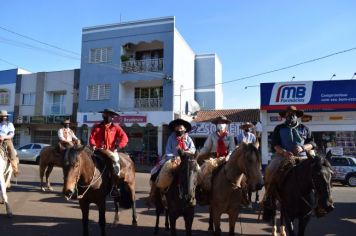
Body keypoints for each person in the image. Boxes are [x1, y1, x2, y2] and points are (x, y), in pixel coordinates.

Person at [262, 105, 316, 218]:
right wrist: (284, 152)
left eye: (293, 113)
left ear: (297, 115)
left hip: (303, 157)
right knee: (271, 169)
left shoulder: (305, 128)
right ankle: (268, 198)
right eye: (288, 113)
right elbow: (274, 145)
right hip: (283, 157)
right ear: (285, 115)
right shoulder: (279, 128)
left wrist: (303, 148)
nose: (290, 115)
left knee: (319, 173)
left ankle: (321, 202)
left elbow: (313, 143)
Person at [147, 118, 196, 206]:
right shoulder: (171, 137)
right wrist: (174, 157)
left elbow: (193, 149)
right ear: (174, 129)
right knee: (157, 172)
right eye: (177, 128)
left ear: (185, 129)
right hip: (172, 159)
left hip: (186, 159)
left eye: (181, 128)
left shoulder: (188, 138)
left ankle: (195, 193)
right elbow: (168, 151)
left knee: (197, 171)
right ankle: (153, 194)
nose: (179, 130)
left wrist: (185, 153)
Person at [89, 108, 128, 197]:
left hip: (111, 151)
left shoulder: (116, 127)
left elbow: (124, 138)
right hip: (98, 150)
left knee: (116, 163)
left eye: (111, 115)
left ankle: (115, 186)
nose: (109, 117)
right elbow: (92, 137)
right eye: (107, 115)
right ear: (104, 115)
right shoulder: (97, 126)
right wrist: (93, 145)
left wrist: (118, 146)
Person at [237, 122, 259, 206]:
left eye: (248, 127)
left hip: (250, 155)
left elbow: (255, 146)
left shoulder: (252, 136)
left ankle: (256, 192)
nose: (247, 128)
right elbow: (238, 146)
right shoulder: (239, 136)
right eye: (246, 127)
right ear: (243, 128)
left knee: (256, 169)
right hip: (242, 155)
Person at [0, 110, 18, 176]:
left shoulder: (10, 124)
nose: (4, 117)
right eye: (2, 116)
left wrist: (4, 137)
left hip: (6, 140)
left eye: (5, 116)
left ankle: (15, 168)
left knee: (12, 152)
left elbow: (11, 134)